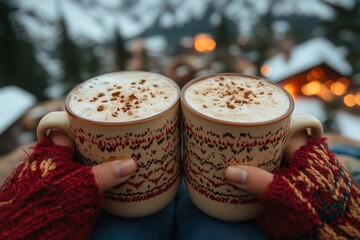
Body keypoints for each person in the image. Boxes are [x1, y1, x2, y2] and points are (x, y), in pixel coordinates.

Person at [0, 130, 359, 239]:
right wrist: (337, 219)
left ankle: (178, 187)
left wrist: (30, 221)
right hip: (263, 207)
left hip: (100, 206)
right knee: (345, 155)